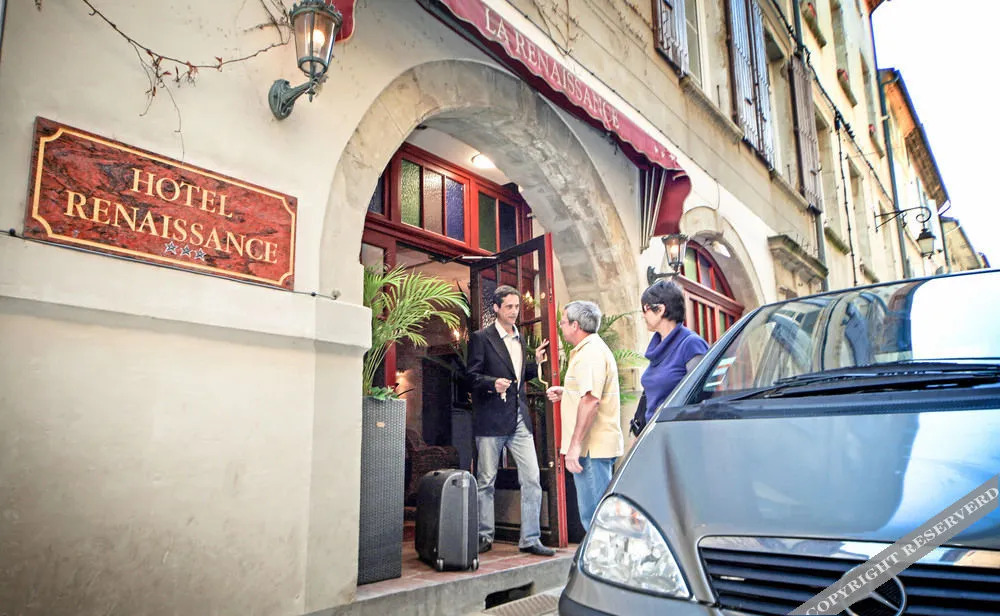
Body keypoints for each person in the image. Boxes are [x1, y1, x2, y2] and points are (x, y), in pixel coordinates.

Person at [466, 285, 554, 557]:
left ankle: (530, 538)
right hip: (491, 420)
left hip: (518, 420)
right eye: (509, 307)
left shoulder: (521, 339)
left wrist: (535, 363)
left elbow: (517, 376)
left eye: (517, 306)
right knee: (486, 481)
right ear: (496, 308)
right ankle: (484, 536)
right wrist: (492, 384)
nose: (515, 311)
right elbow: (470, 377)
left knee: (532, 478)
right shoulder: (481, 338)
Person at [545, 301, 623, 532]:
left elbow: (590, 401)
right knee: (596, 516)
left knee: (596, 520)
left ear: (575, 325)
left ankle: (603, 556)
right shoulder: (590, 350)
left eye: (562, 322)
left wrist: (575, 446)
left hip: (591, 449)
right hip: (594, 448)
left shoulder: (590, 353)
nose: (560, 326)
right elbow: (590, 394)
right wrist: (567, 392)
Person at [630, 279, 709, 436]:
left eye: (645, 309)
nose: (643, 316)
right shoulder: (656, 348)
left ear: (660, 309)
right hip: (654, 434)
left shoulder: (691, 344)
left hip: (680, 435)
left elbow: (702, 395)